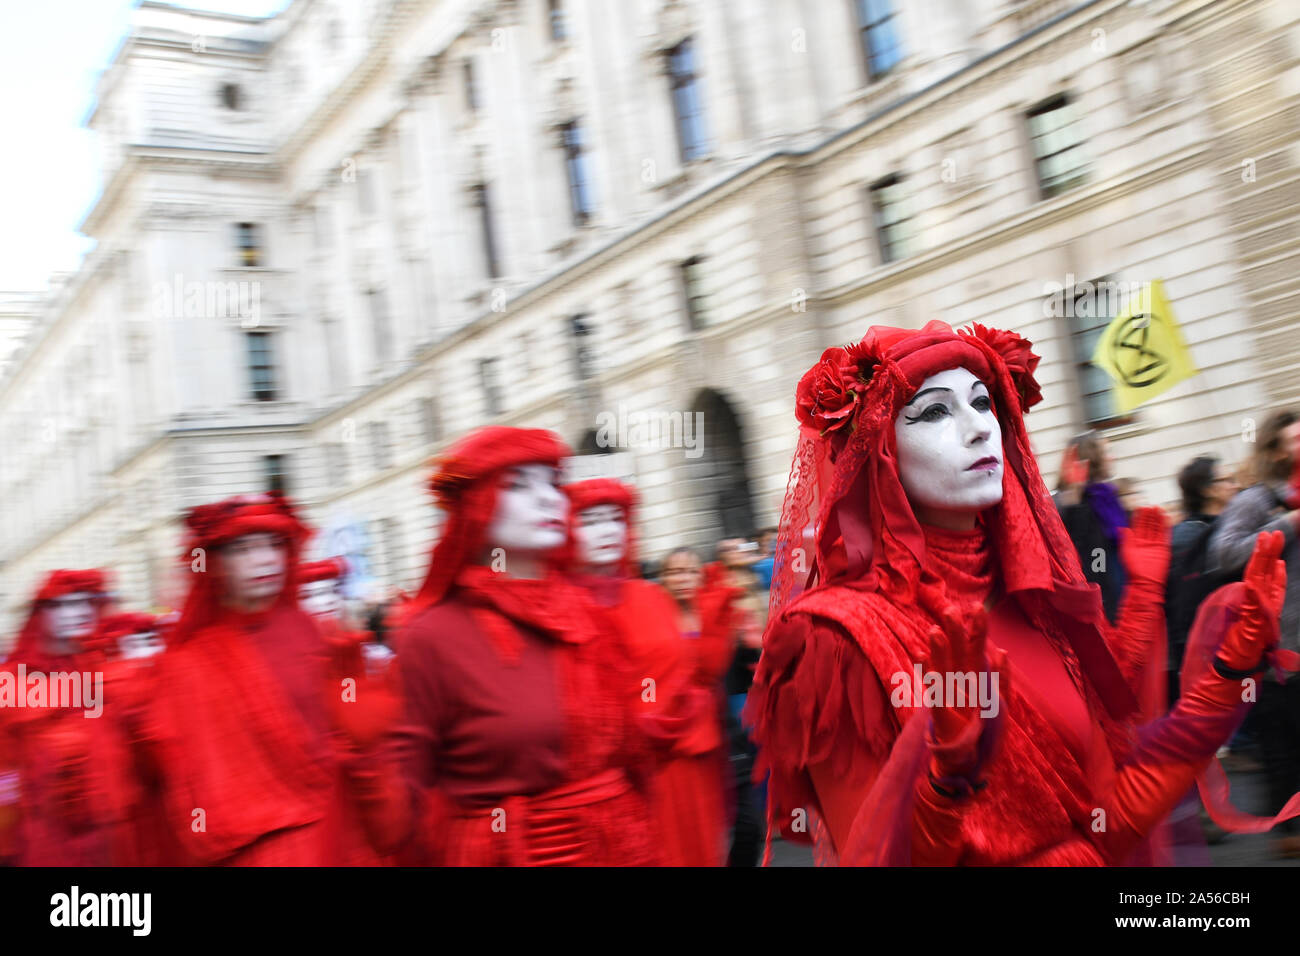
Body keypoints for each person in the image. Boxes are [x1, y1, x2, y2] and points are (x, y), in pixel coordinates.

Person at [747, 319, 1294, 866]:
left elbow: (1109, 820)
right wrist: (947, 784)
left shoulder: (1036, 600)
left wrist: (1227, 674)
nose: (980, 428)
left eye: (983, 403)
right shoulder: (831, 639)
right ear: (878, 450)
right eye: (935, 411)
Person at [343, 426, 659, 866]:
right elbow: (396, 826)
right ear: (476, 505)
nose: (549, 498)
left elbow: (634, 762)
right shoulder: (432, 635)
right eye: (518, 485)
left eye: (551, 481)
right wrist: (367, 752)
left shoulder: (589, 615)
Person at [119, 493, 399, 865]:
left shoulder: (312, 633)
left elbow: (348, 729)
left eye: (273, 544)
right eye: (243, 548)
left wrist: (361, 720)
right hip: (262, 852)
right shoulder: (189, 663)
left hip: (343, 834)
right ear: (214, 563)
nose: (265, 558)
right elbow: (189, 785)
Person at [563, 478, 731, 866]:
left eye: (614, 518)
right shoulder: (563, 607)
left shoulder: (652, 596)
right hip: (620, 778)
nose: (607, 530)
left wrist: (718, 622)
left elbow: (694, 670)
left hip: (687, 759)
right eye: (589, 519)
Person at [0, 569, 139, 865]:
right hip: (44, 833)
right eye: (62, 604)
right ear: (40, 615)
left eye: (84, 602)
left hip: (113, 831)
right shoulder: (9, 681)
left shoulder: (106, 673)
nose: (76, 612)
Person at [1208, 409, 1300, 856]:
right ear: (1276, 449)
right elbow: (1225, 551)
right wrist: (1287, 525)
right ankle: (1288, 830)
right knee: (1282, 743)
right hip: (1277, 643)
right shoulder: (1257, 499)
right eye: (1295, 438)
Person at [1166, 456, 1239, 706]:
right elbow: (1186, 604)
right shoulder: (1188, 536)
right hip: (1215, 656)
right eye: (1227, 480)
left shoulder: (1230, 527)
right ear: (1207, 490)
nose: (1234, 485)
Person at [1056, 431, 1129, 623]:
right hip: (1105, 606)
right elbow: (1093, 557)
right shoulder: (1077, 503)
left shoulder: (1109, 497)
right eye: (1107, 452)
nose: (1112, 457)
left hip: (1123, 596)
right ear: (1092, 458)